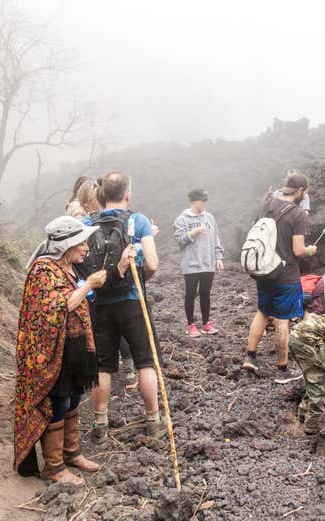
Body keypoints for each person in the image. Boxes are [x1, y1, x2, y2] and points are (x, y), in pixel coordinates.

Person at [14, 216, 107, 485]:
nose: (86, 247)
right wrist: (89, 285)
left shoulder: (64, 267)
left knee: (74, 397)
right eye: (82, 242)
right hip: (50, 352)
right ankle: (53, 467)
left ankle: (71, 453)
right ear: (67, 244)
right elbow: (60, 306)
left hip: (70, 346)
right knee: (59, 401)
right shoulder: (43, 270)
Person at [84, 172, 164, 443]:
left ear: (102, 194)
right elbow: (152, 264)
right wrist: (139, 279)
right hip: (132, 300)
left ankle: (100, 424)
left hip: (100, 303)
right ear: (127, 194)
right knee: (144, 361)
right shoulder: (138, 220)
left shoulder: (87, 222)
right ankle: (154, 419)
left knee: (103, 366)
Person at [242, 171, 317, 383]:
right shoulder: (299, 214)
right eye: (306, 192)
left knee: (263, 312)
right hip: (286, 275)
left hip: (264, 270)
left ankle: (250, 357)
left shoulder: (266, 204)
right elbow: (298, 250)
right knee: (282, 321)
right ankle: (282, 370)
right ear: (301, 190)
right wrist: (310, 250)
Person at [72, 178, 137, 385]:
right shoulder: (82, 222)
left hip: (97, 284)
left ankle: (116, 367)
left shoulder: (92, 220)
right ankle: (101, 367)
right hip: (94, 287)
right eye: (96, 201)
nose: (100, 205)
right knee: (102, 329)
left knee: (106, 330)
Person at [173, 188, 224, 337]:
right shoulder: (182, 219)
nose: (204, 204)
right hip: (191, 264)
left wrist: (218, 257)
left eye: (205, 201)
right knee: (190, 294)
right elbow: (179, 240)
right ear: (194, 201)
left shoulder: (210, 218)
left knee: (205, 293)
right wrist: (193, 233)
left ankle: (206, 323)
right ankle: (191, 325)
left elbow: (216, 238)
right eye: (202, 201)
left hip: (208, 263)